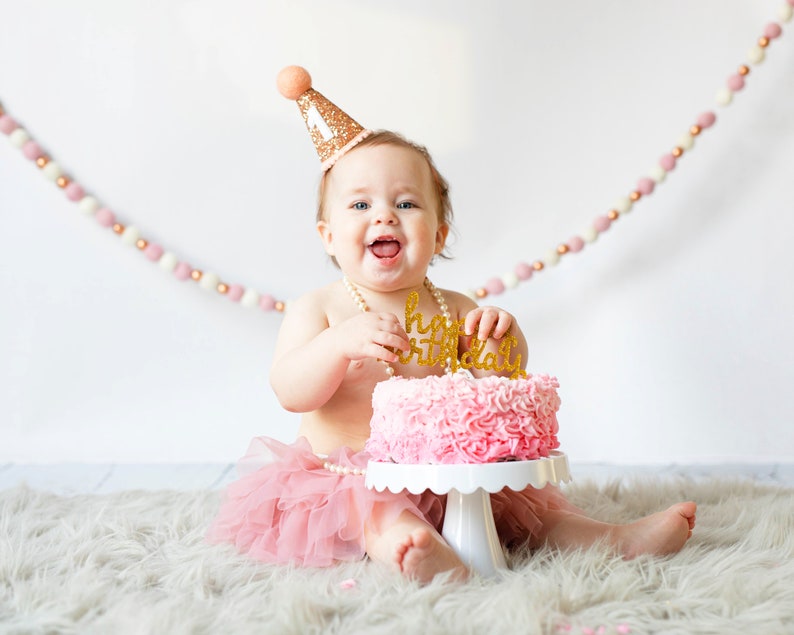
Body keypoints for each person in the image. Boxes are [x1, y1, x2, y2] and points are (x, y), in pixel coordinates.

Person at [207, 68, 697, 583]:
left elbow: (498, 383)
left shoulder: (454, 305)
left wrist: (501, 337)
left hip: (449, 477)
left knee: (533, 515)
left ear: (438, 235)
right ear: (328, 236)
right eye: (360, 204)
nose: (384, 217)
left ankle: (614, 540)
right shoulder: (320, 309)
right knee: (377, 511)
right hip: (346, 475)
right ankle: (412, 551)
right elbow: (290, 391)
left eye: (406, 203)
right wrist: (335, 346)